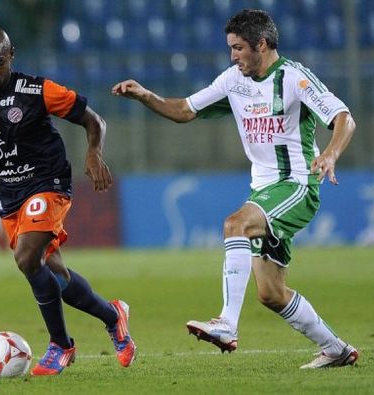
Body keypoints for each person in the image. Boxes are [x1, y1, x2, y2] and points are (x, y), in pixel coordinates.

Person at [112, 9, 357, 369]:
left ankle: (226, 324)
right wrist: (145, 95)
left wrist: (332, 153)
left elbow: (343, 118)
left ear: (261, 44)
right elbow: (185, 109)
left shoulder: (293, 77)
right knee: (271, 293)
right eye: (231, 48)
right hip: (262, 192)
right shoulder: (233, 80)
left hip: (296, 184)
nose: (233, 56)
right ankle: (336, 349)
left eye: (239, 48)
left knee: (235, 225)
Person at [0, 27, 136, 376]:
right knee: (54, 274)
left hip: (48, 181)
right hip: (6, 194)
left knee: (27, 258)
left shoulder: (37, 90)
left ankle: (61, 344)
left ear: (11, 56)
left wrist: (93, 154)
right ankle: (112, 316)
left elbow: (94, 121)